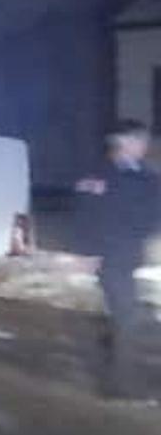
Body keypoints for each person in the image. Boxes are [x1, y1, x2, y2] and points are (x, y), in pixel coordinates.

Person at [75, 119, 161, 399]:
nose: (144, 145)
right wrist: (87, 253)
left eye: (144, 140)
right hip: (108, 256)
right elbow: (85, 216)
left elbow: (154, 215)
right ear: (122, 142)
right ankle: (121, 387)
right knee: (127, 317)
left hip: (129, 254)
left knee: (124, 315)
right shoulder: (98, 176)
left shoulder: (148, 176)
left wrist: (144, 235)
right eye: (139, 140)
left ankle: (110, 352)